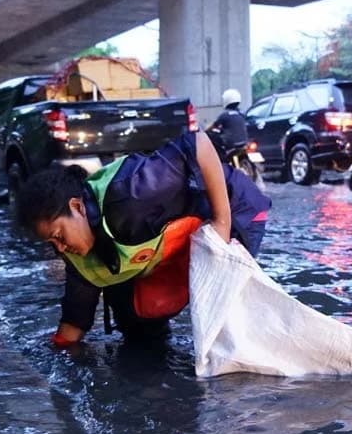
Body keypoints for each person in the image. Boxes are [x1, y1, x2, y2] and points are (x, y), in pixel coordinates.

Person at [16, 130, 271, 347]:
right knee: (133, 323)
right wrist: (54, 352)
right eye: (52, 244)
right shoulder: (75, 256)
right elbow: (75, 320)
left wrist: (221, 224)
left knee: (222, 314)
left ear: (78, 207)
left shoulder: (132, 194)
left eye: (60, 235)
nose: (61, 248)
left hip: (235, 209)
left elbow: (198, 143)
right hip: (170, 239)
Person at [206, 88, 249, 162]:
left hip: (230, 144)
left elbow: (213, 126)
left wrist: (205, 131)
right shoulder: (241, 114)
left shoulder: (224, 115)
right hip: (244, 142)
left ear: (226, 100)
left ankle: (219, 160)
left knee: (212, 137)